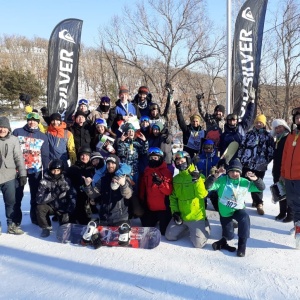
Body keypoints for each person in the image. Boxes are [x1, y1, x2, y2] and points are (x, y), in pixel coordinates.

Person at [205, 158, 265, 257]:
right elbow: (207, 187)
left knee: (244, 218)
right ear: (228, 172)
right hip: (225, 212)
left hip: (238, 210)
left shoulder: (244, 182)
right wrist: (214, 176)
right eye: (232, 171)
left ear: (240, 172)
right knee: (229, 236)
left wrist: (256, 179)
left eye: (237, 171)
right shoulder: (222, 181)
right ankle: (225, 238)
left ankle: (242, 245)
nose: (234, 173)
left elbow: (261, 188)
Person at [165, 151, 210, 248]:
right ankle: (186, 227)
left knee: (199, 245)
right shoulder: (176, 179)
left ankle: (205, 224)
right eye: (178, 163)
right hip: (182, 216)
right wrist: (175, 212)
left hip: (196, 217)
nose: (180, 163)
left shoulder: (199, 176)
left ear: (188, 160)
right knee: (169, 236)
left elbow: (202, 194)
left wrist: (197, 180)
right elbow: (173, 197)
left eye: (182, 161)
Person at [13, 112, 50, 225]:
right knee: (17, 195)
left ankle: (34, 217)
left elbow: (45, 155)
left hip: (36, 170)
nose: (32, 122)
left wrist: (46, 173)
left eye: (35, 120)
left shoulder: (43, 136)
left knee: (35, 195)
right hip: (19, 169)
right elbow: (12, 150)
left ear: (38, 122)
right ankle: (16, 219)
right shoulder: (17, 132)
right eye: (30, 120)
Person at [237, 114, 274, 215]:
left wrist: (265, 161)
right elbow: (241, 147)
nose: (258, 124)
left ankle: (258, 203)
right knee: (244, 182)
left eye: (260, 123)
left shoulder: (268, 136)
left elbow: (271, 151)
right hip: (247, 164)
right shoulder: (249, 134)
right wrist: (241, 159)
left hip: (260, 165)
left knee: (257, 183)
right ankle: (240, 201)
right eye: (257, 122)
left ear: (264, 124)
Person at [82, 154, 133, 226]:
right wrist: (88, 185)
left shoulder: (124, 178)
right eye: (108, 163)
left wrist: (123, 184)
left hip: (120, 218)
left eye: (113, 163)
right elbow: (93, 194)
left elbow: (128, 195)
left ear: (117, 164)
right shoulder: (103, 179)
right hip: (104, 217)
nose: (110, 165)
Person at [36, 159, 76, 237]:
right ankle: (46, 227)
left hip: (62, 207)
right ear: (50, 170)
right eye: (53, 170)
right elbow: (39, 199)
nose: (55, 173)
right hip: (50, 206)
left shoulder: (66, 180)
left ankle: (62, 221)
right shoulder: (44, 181)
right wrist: (54, 194)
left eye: (58, 170)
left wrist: (70, 208)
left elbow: (72, 194)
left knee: (64, 228)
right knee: (39, 208)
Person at [0, 116, 27, 234]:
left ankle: (11, 224)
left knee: (11, 201)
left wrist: (22, 174)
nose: (2, 130)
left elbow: (18, 158)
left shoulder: (13, 140)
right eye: (0, 127)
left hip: (9, 175)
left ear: (8, 129)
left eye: (4, 127)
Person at [139, 147, 173, 235]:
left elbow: (169, 191)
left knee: (164, 232)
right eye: (151, 158)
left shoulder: (166, 172)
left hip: (163, 208)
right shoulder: (147, 171)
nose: (153, 160)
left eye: (155, 158)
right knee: (146, 227)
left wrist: (160, 183)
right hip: (151, 207)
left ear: (160, 158)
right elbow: (143, 187)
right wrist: (141, 199)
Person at [281, 107, 300, 234]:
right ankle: (297, 226)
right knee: (293, 204)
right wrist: (282, 173)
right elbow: (285, 155)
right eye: (296, 117)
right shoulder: (291, 135)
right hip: (288, 176)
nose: (298, 119)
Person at [66, 146, 95, 225]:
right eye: (82, 155)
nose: (84, 157)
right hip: (78, 193)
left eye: (86, 155)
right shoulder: (74, 168)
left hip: (91, 193)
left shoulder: (93, 168)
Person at [270, 119, 292, 222]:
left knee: (288, 192)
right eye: (276, 128)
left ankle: (290, 214)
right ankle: (282, 212)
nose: (278, 129)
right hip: (277, 169)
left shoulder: (289, 138)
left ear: (284, 126)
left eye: (280, 127)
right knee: (280, 191)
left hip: (286, 169)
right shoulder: (277, 139)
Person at [117, 123, 148, 187]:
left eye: (132, 131)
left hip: (135, 170)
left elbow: (144, 151)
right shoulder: (123, 143)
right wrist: (121, 142)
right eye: (129, 131)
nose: (131, 132)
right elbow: (120, 153)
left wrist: (145, 141)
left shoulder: (137, 143)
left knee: (135, 187)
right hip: (125, 171)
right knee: (126, 187)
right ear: (126, 133)